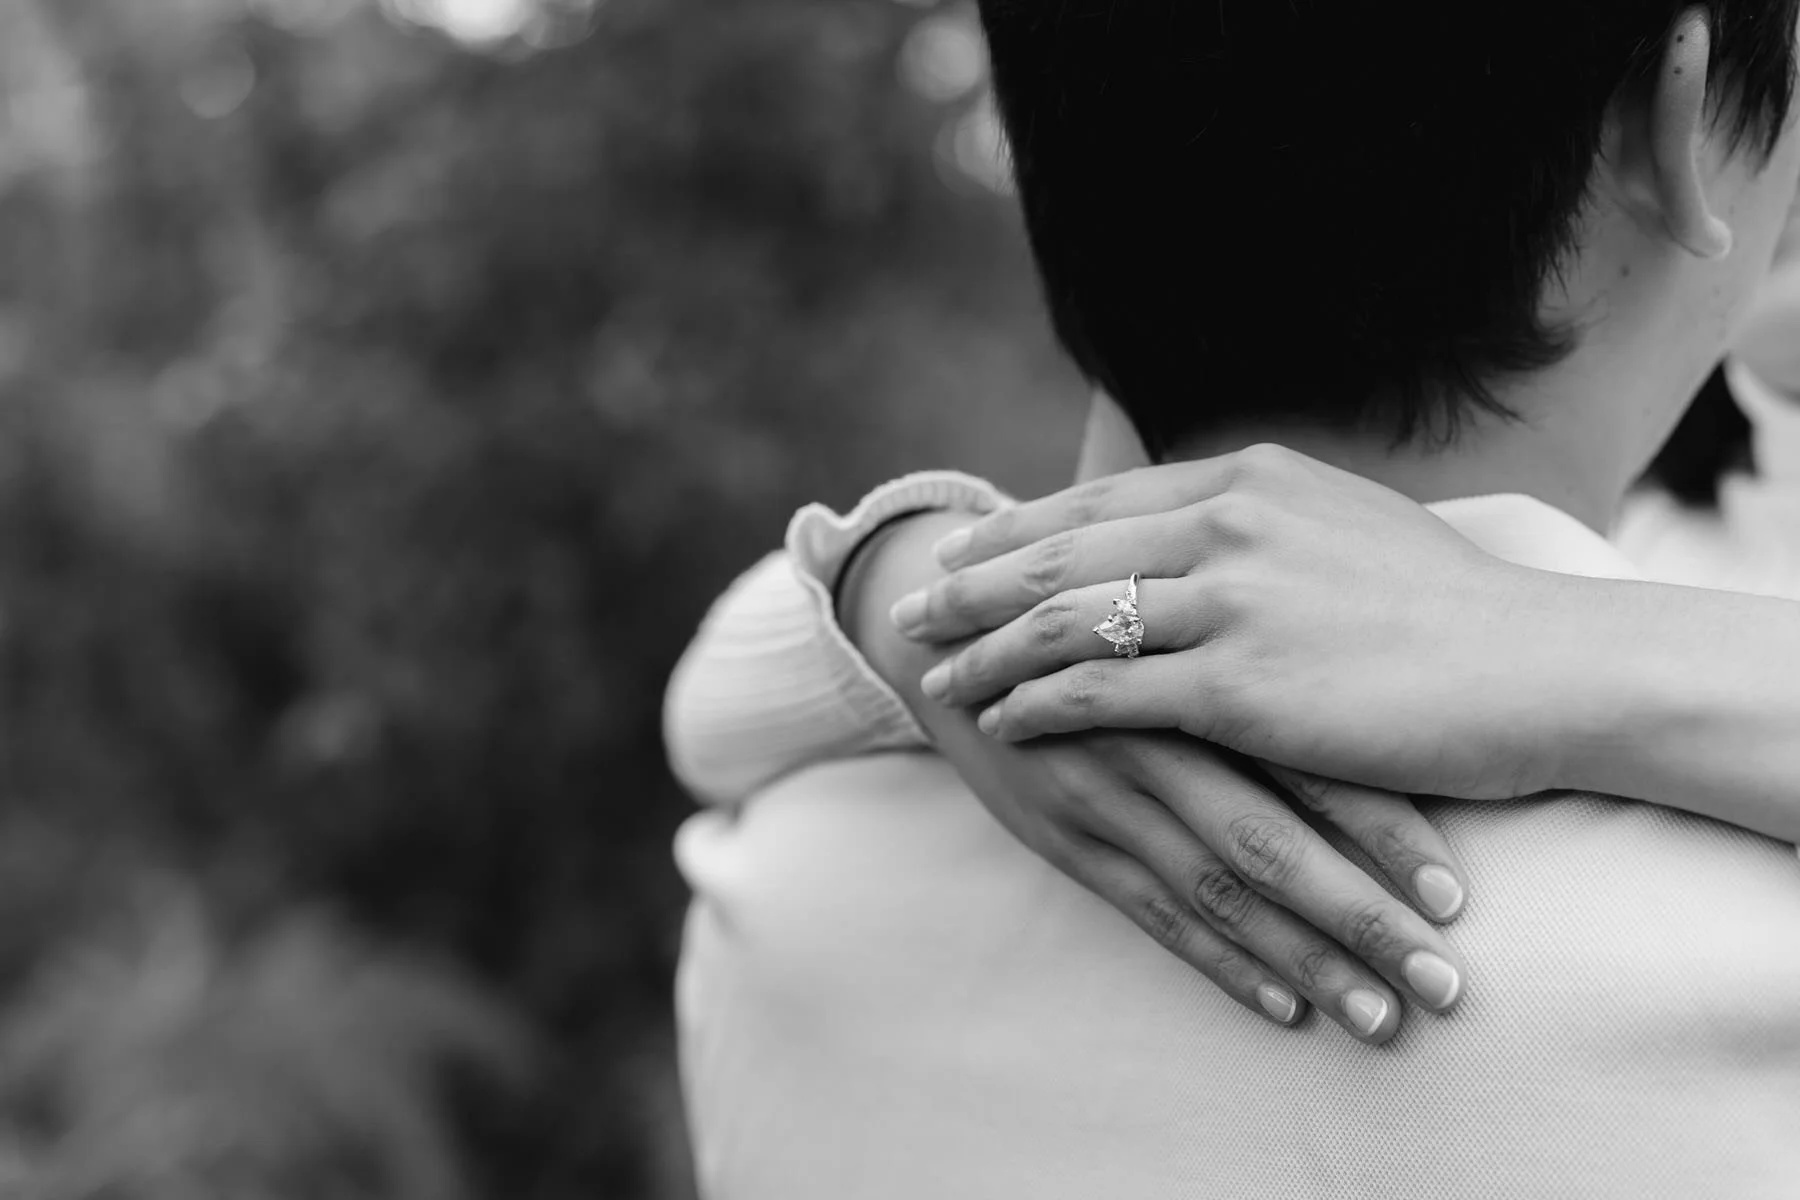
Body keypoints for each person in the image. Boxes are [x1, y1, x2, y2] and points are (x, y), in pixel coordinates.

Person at [666, 3, 1800, 1196]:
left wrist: (888, 572)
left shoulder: (780, 876)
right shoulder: (1754, 953)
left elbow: (716, 701)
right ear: (1669, 114)